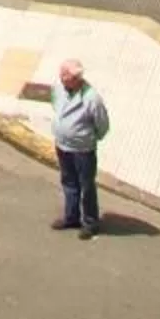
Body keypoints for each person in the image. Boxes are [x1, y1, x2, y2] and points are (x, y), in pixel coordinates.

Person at [50, 58, 109, 235]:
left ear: (76, 79)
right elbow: (55, 103)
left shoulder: (91, 98)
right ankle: (71, 217)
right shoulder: (59, 88)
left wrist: (89, 138)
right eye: (62, 76)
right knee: (68, 182)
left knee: (86, 186)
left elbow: (102, 123)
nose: (62, 79)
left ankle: (90, 222)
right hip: (63, 146)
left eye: (66, 77)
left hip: (82, 150)